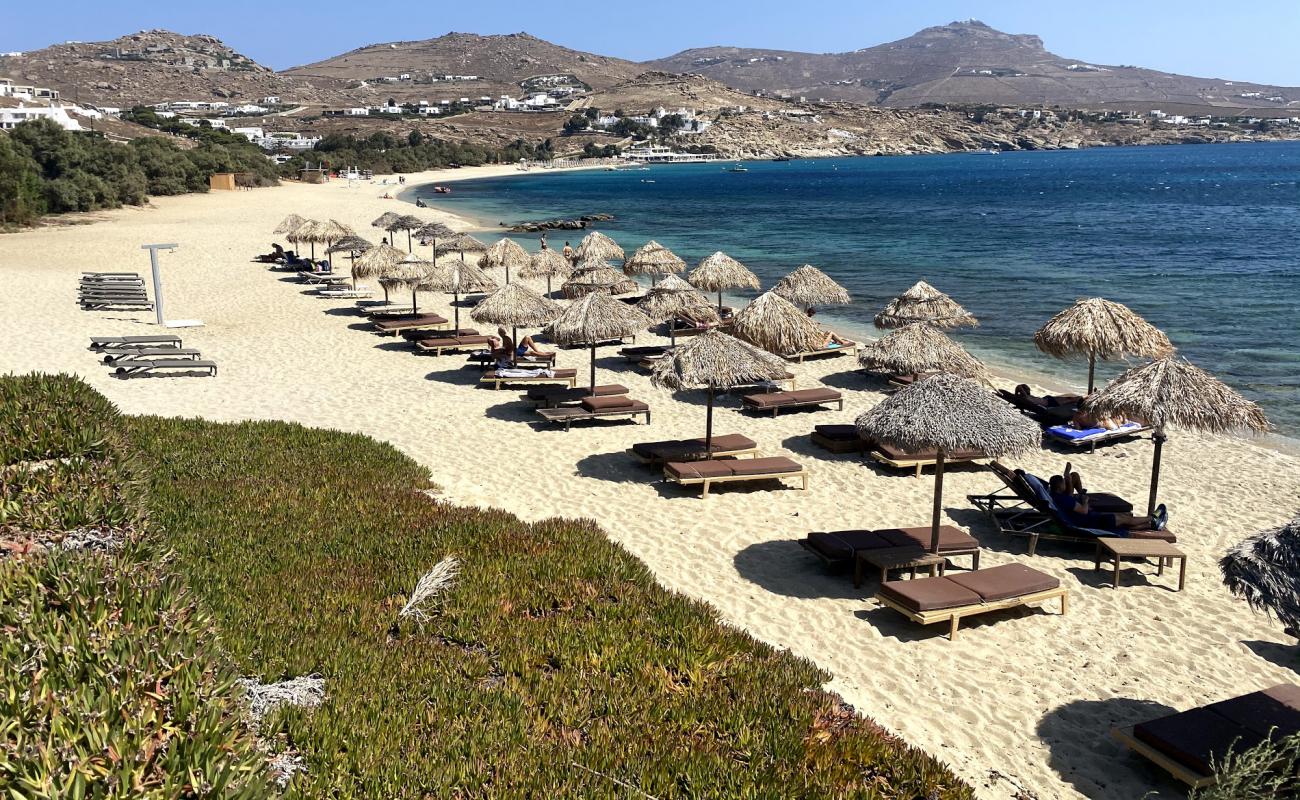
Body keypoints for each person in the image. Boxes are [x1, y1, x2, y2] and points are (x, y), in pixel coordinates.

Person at [1048, 464, 1166, 530]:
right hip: (1092, 522)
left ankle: (1151, 525)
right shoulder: (1065, 500)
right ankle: (1153, 517)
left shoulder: (1053, 495)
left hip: (1089, 519)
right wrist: (1085, 501)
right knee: (1125, 518)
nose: (1066, 483)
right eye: (1064, 482)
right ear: (1060, 487)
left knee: (1124, 523)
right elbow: (1083, 511)